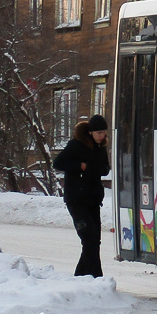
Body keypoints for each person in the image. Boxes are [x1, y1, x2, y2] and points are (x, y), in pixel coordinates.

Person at [53, 114, 111, 278]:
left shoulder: (101, 148)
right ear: (90, 132)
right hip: (76, 200)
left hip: (93, 200)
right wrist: (80, 166)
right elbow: (58, 163)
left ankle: (81, 277)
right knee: (89, 237)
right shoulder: (76, 145)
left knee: (94, 240)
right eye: (99, 132)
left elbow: (106, 167)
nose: (102, 136)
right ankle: (96, 277)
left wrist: (101, 169)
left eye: (104, 132)